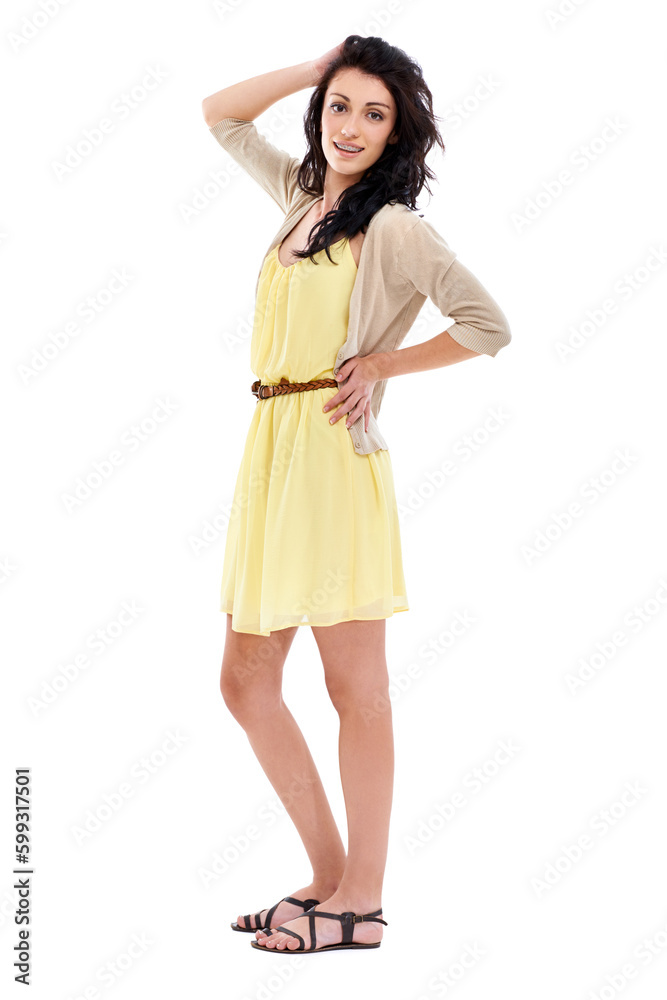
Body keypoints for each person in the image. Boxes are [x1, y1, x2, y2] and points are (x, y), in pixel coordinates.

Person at [202, 34, 511, 955]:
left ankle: (361, 902)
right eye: (340, 106)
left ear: (396, 132)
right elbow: (219, 115)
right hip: (271, 449)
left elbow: (487, 325)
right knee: (245, 681)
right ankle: (331, 880)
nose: (351, 126)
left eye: (375, 113)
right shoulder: (302, 200)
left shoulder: (394, 228)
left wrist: (381, 363)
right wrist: (316, 65)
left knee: (354, 687)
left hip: (332, 456)